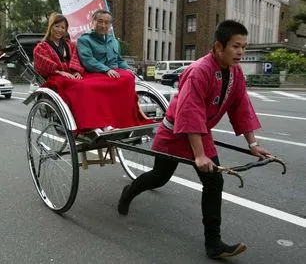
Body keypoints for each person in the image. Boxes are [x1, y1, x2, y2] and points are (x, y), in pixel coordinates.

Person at [117, 20, 272, 259]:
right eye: (236, 46)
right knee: (159, 177)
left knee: (214, 182)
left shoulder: (235, 72)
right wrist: (199, 155)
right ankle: (128, 192)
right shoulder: (200, 70)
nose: (241, 52)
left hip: (200, 132)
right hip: (175, 132)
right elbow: (190, 112)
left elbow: (241, 107)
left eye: (244, 46)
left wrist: (253, 144)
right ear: (218, 47)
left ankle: (214, 244)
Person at [33, 13, 149, 133]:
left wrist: (76, 71)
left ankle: (114, 120)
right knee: (85, 87)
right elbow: (43, 63)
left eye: (63, 27)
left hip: (71, 75)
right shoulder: (41, 47)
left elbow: (75, 59)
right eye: (57, 26)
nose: (59, 30)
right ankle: (92, 124)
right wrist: (60, 72)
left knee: (124, 78)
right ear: (50, 26)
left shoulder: (69, 44)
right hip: (55, 77)